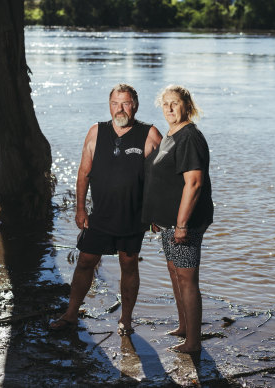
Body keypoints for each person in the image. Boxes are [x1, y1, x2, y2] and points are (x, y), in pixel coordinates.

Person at [50, 83, 162, 336]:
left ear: (135, 105)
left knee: (129, 263)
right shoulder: (96, 132)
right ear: (109, 105)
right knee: (85, 261)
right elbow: (84, 172)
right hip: (100, 214)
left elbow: (165, 178)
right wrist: (80, 209)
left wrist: (158, 213)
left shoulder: (149, 133)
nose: (119, 109)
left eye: (125, 103)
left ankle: (126, 319)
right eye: (115, 103)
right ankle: (70, 314)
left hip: (134, 215)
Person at [142, 85, 213, 354]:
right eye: (165, 103)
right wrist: (156, 216)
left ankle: (193, 342)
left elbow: (193, 184)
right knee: (175, 273)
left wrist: (182, 224)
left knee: (187, 278)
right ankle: (184, 327)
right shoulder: (171, 135)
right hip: (169, 221)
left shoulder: (189, 137)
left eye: (175, 103)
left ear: (187, 106)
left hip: (187, 222)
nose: (169, 108)